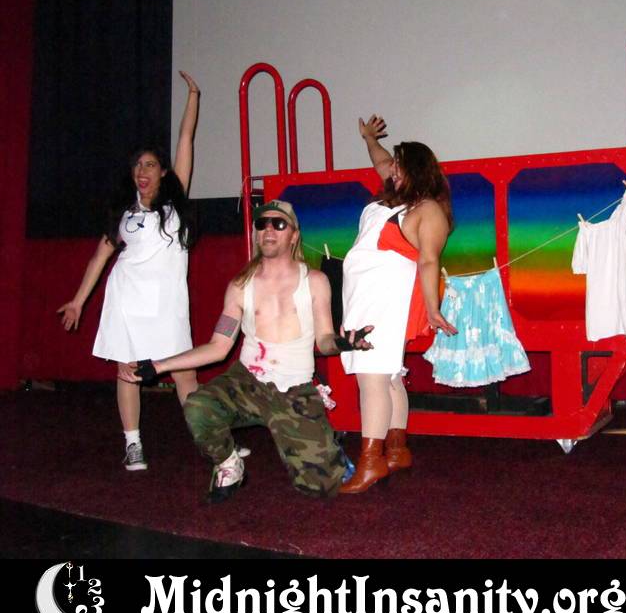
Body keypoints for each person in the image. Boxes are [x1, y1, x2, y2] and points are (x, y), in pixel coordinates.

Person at [124, 200, 373, 503]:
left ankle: (328, 448)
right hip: (247, 382)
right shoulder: (240, 285)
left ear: (294, 235)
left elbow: (324, 341)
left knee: (321, 487)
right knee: (198, 406)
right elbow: (218, 347)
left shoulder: (315, 282)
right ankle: (229, 464)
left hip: (294, 388)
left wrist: (343, 343)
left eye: (278, 224)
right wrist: (158, 366)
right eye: (261, 224)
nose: (268, 229)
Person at [58, 71, 201, 472]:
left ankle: (211, 443)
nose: (143, 170)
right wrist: (78, 301)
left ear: (163, 172)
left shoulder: (174, 207)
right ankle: (133, 444)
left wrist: (193, 96)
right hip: (126, 301)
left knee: (186, 375)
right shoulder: (123, 214)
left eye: (150, 164)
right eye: (138, 165)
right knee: (128, 373)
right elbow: (99, 258)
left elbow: (186, 140)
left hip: (167, 305)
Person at [339, 115, 457, 494]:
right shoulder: (389, 201)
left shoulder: (428, 209)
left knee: (371, 375)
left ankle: (370, 461)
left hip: (386, 299)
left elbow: (429, 261)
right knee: (387, 375)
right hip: (362, 295)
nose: (391, 170)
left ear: (417, 170)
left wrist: (433, 308)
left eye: (399, 166)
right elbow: (380, 160)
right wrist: (369, 139)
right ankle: (395, 449)